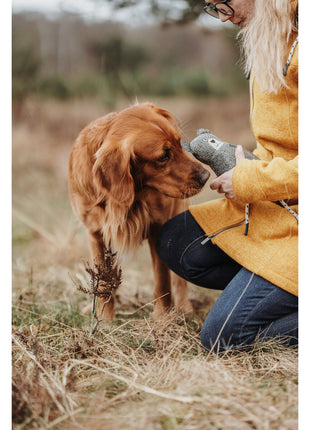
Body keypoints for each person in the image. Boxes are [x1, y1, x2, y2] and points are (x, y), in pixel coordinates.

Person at [156, 0, 298, 352]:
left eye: (225, 3)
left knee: (222, 337)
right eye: (211, 7)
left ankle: (277, 287)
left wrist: (250, 180)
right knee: (177, 242)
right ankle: (272, 285)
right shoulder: (275, 37)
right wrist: (239, 161)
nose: (223, 17)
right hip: (282, 204)